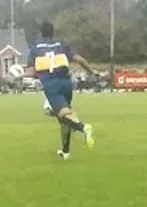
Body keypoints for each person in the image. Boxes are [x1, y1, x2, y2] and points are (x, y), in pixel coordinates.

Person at [25, 21, 95, 160]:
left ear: (41, 33)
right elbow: (80, 60)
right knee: (64, 116)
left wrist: (18, 74)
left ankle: (83, 128)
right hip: (66, 83)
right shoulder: (62, 45)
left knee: (63, 115)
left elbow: (31, 72)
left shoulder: (34, 48)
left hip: (51, 85)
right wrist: (92, 72)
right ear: (53, 32)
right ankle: (65, 151)